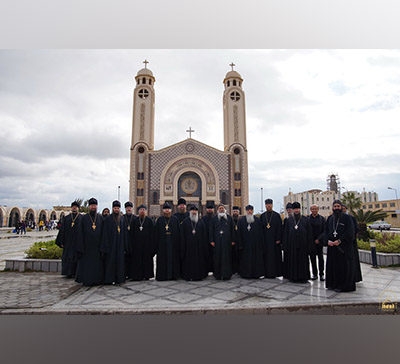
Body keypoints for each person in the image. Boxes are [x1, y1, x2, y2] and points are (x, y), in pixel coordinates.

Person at [325, 200, 356, 292]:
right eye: (335, 206)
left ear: (341, 207)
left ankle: (342, 286)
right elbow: (325, 230)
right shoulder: (330, 218)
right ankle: (332, 284)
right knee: (333, 267)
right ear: (332, 208)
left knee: (343, 268)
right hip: (332, 247)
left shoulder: (347, 218)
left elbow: (350, 232)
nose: (336, 208)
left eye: (338, 206)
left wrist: (340, 240)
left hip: (343, 248)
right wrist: (327, 241)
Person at [75, 198, 104, 286]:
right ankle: (86, 280)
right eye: (91, 206)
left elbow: (103, 233)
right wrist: (80, 247)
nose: (93, 207)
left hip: (97, 247)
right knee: (87, 265)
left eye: (94, 205)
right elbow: (80, 233)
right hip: (87, 247)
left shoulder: (100, 218)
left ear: (97, 206)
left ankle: (97, 280)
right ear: (89, 207)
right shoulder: (84, 218)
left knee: (96, 265)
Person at [283, 202, 314, 283]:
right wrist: (285, 246)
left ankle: (303, 277)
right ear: (293, 210)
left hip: (303, 245)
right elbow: (286, 233)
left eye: (297, 209)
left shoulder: (305, 220)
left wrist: (310, 246)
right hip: (292, 245)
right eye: (295, 209)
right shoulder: (289, 220)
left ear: (300, 209)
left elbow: (310, 233)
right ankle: (293, 277)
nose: (296, 210)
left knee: (303, 261)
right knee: (293, 261)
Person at [100, 200, 128, 285]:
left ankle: (119, 279)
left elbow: (125, 233)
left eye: (118, 208)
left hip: (120, 245)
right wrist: (105, 246)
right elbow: (105, 233)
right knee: (110, 262)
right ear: (112, 209)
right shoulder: (108, 219)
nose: (116, 210)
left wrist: (125, 246)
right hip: (111, 245)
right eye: (115, 208)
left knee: (120, 262)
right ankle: (109, 279)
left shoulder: (122, 219)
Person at [126, 204, 155, 281]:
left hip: (147, 246)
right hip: (136, 246)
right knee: (136, 261)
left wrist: (152, 247)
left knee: (147, 261)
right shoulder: (135, 221)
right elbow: (131, 234)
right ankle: (137, 276)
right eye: (141, 210)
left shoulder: (149, 221)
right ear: (138, 211)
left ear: (146, 211)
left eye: (144, 210)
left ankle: (147, 275)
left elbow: (153, 235)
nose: (142, 211)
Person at [180, 205, 208, 280]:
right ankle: (188, 276)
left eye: (195, 211)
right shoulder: (185, 222)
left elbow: (204, 236)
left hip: (199, 247)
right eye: (192, 210)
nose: (194, 212)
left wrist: (204, 247)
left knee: (198, 262)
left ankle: (199, 276)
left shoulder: (201, 222)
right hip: (188, 247)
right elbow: (182, 236)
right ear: (190, 212)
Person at [154, 202, 181, 281]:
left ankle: (173, 275)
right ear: (163, 210)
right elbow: (156, 234)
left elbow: (178, 233)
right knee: (163, 261)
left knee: (173, 260)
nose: (167, 211)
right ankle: (162, 276)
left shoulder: (175, 219)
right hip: (162, 245)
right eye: (165, 209)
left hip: (173, 245)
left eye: (168, 209)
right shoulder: (160, 220)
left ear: (171, 210)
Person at [55, 200, 82, 278]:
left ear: (78, 208)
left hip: (77, 242)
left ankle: (75, 272)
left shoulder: (81, 218)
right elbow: (62, 230)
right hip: (68, 242)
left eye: (76, 207)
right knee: (67, 257)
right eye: (73, 207)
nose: (74, 208)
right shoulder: (66, 218)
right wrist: (61, 241)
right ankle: (67, 272)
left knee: (76, 257)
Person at [237, 205, 264, 279]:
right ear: (246, 211)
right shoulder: (241, 220)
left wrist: (260, 244)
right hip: (245, 245)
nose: (249, 211)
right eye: (248, 210)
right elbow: (239, 233)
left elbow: (260, 233)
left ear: (253, 211)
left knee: (255, 260)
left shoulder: (257, 220)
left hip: (255, 245)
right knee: (246, 260)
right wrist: (240, 244)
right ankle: (246, 274)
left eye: (251, 210)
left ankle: (255, 274)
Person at [209, 204, 235, 280]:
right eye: (220, 208)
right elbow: (211, 230)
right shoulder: (214, 219)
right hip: (217, 242)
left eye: (222, 208)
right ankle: (218, 275)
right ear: (217, 210)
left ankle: (226, 274)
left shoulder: (229, 218)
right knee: (217, 258)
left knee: (226, 258)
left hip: (227, 242)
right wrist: (211, 240)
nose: (221, 210)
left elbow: (232, 230)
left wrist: (233, 240)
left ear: (225, 209)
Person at [260, 199, 283, 278]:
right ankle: (266, 273)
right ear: (265, 205)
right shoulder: (263, 216)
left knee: (274, 257)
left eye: (270, 204)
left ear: (272, 205)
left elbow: (279, 228)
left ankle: (275, 273)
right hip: (265, 241)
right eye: (267, 204)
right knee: (266, 257)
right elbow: (260, 229)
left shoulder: (276, 215)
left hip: (274, 241)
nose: (268, 206)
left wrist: (278, 239)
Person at [342, 204, 362, 282]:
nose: (343, 210)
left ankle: (355, 277)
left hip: (351, 243)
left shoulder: (351, 218)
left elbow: (355, 229)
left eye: (344, 209)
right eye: (342, 209)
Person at [308, 204, 326, 281]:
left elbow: (325, 230)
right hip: (311, 242)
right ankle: (314, 274)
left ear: (318, 209)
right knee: (312, 258)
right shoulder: (307, 219)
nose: (314, 210)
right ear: (310, 210)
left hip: (319, 242)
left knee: (320, 258)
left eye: (315, 209)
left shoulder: (322, 219)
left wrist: (319, 239)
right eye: (312, 209)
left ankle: (321, 274)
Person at [202, 201, 215, 275]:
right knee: (206, 256)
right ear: (206, 210)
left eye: (211, 208)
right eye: (208, 208)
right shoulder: (203, 219)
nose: (210, 210)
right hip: (206, 241)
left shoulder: (216, 219)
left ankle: (214, 270)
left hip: (214, 242)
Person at [282, 202, 293, 278]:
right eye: (288, 210)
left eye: (290, 209)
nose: (289, 211)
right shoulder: (286, 220)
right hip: (287, 243)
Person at [231, 206, 241, 274]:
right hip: (232, 242)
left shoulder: (242, 220)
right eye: (234, 212)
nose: (235, 213)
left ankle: (239, 269)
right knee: (232, 256)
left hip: (240, 242)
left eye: (236, 212)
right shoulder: (230, 220)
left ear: (238, 212)